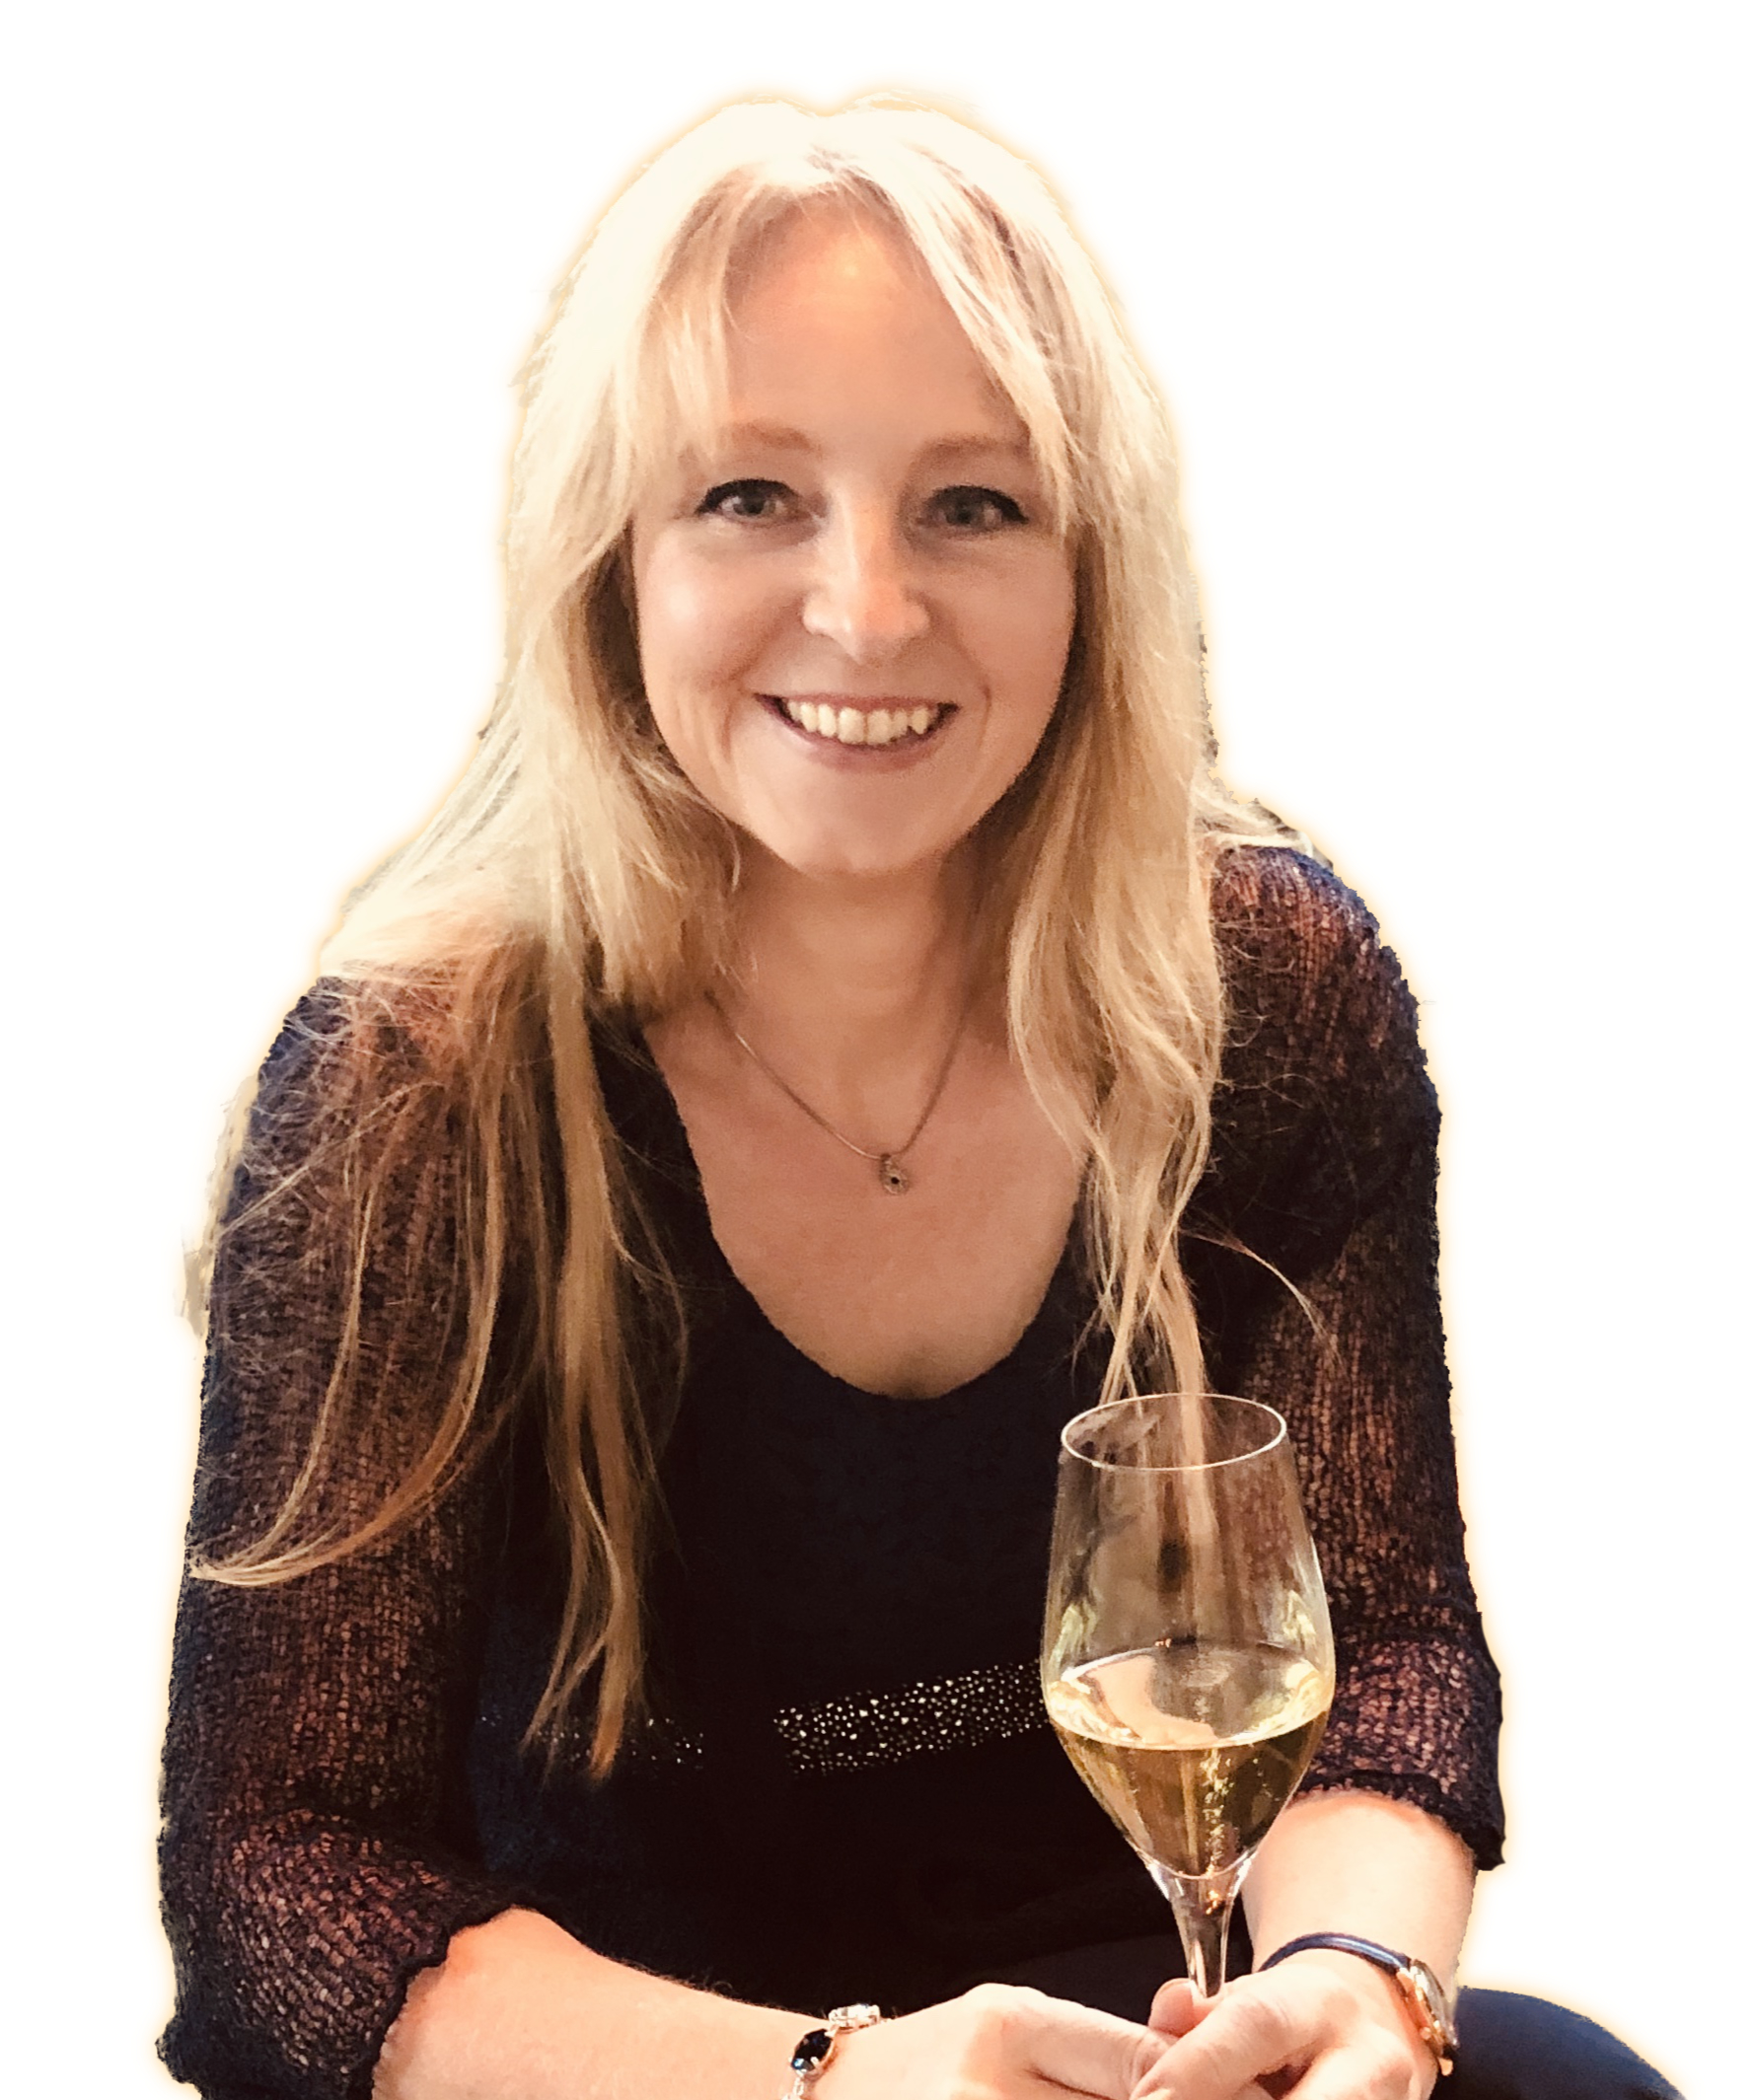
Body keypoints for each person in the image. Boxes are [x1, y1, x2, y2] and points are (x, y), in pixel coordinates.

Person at [158, 100, 1679, 2100]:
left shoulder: (1270, 995)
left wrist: (1354, 1976)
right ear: (610, 564)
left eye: (973, 503)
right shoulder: (410, 1085)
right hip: (645, 2057)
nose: (867, 611)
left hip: (1134, 2025)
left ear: (1091, 570)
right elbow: (282, 1880)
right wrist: (833, 2078)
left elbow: (1383, 1649)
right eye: (748, 496)